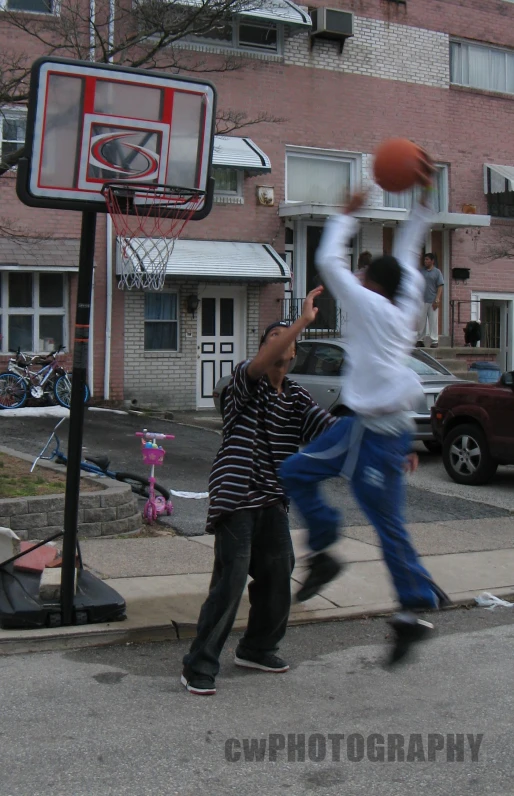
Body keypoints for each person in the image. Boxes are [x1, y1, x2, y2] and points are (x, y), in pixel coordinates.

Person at [280, 160, 449, 665]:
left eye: (363, 273)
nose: (356, 274)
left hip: (373, 433)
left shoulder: (372, 307)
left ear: (372, 285)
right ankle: (356, 572)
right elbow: (410, 247)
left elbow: (329, 261)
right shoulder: (408, 299)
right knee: (309, 477)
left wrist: (346, 214)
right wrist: (423, 199)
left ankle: (405, 599)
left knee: (375, 515)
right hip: (374, 428)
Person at [181, 289, 335, 696]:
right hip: (237, 495)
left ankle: (257, 647)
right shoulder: (244, 383)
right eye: (274, 337)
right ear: (264, 349)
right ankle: (198, 664)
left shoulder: (298, 396)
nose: (281, 342)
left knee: (278, 573)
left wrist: (385, 450)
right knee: (230, 582)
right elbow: (264, 361)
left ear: (295, 354)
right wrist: (300, 321)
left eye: (288, 340)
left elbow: (333, 436)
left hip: (271, 499)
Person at [416, 252, 444, 348]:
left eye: (427, 259)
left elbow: (440, 286)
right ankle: (420, 340)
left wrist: (437, 299)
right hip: (422, 300)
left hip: (432, 300)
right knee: (421, 321)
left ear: (432, 261)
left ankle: (434, 340)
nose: (425, 261)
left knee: (433, 321)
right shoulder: (421, 271)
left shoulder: (437, 272)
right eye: (424, 259)